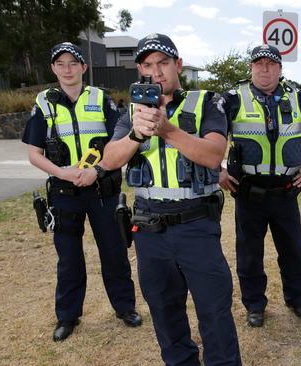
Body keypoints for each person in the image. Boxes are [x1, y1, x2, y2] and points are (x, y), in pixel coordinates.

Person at [102, 33, 241, 366]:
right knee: (165, 312)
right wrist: (137, 133)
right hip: (150, 229)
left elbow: (212, 154)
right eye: (148, 65)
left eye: (163, 63)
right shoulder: (132, 113)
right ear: (140, 70)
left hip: (196, 225)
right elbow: (109, 160)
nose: (157, 72)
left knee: (215, 311)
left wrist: (167, 130)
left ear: (178, 65)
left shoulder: (207, 102)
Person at [22, 42, 142, 342]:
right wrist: (63, 172)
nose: (67, 69)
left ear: (83, 67)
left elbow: (121, 142)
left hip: (102, 188)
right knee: (69, 259)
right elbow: (34, 153)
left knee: (114, 252)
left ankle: (125, 307)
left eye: (73, 63)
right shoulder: (44, 103)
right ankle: (67, 316)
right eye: (60, 64)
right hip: (64, 193)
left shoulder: (101, 99)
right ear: (53, 68)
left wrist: (96, 170)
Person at [219, 44, 301, 327]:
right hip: (247, 192)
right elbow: (212, 134)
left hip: (286, 191)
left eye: (270, 64)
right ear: (251, 68)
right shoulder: (233, 98)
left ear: (280, 68)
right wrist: (217, 170)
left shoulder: (297, 96)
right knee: (250, 254)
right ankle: (255, 305)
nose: (264, 69)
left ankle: (297, 299)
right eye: (259, 64)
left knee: (293, 249)